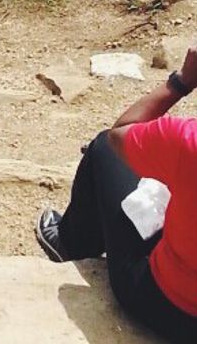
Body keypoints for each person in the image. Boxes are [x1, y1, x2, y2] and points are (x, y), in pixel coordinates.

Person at [35, 48, 197, 341]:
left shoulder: (190, 141)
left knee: (103, 149)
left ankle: (70, 243)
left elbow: (120, 134)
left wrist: (182, 81)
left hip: (171, 306)